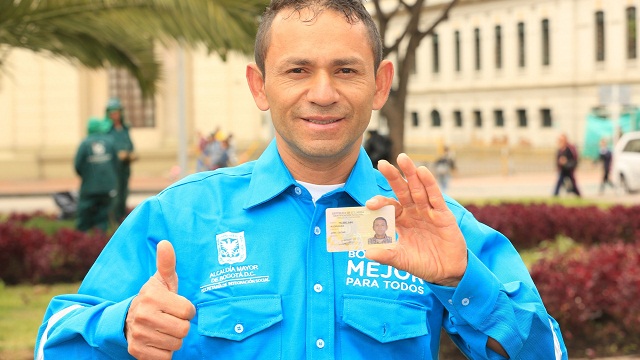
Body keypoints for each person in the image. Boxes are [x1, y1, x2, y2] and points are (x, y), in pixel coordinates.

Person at [36, 1, 568, 359]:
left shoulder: (432, 228)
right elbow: (51, 342)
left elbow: (548, 351)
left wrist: (462, 282)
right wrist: (124, 324)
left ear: (380, 84)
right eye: (297, 70)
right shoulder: (182, 217)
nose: (322, 93)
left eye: (346, 70)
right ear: (259, 85)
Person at [73, 117, 118, 232]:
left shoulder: (84, 143)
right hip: (107, 187)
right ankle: (100, 236)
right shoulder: (110, 142)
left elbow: (77, 165)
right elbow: (116, 164)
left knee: (84, 212)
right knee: (103, 214)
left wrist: (87, 176)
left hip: (89, 187)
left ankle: (83, 236)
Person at [105, 97, 137, 222]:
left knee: (124, 192)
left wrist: (130, 154)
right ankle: (112, 218)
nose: (115, 115)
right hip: (113, 168)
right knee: (115, 194)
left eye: (117, 112)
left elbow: (130, 144)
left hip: (125, 166)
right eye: (112, 112)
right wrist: (117, 154)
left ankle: (121, 217)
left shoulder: (124, 128)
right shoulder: (107, 130)